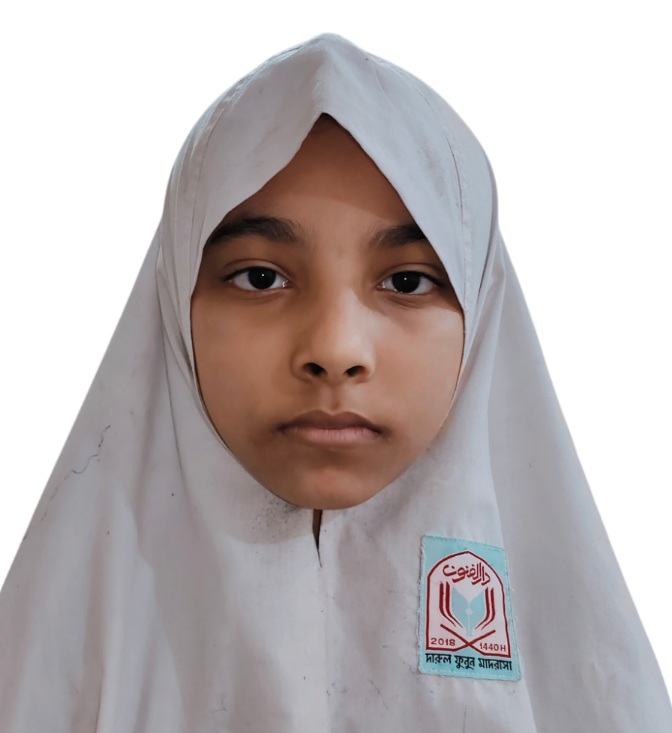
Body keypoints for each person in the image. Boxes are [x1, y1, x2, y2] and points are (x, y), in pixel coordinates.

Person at [0, 33, 669, 732]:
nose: (335, 349)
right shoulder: (47, 675)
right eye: (261, 277)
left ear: (481, 309)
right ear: (173, 306)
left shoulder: (586, 685)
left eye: (407, 282)